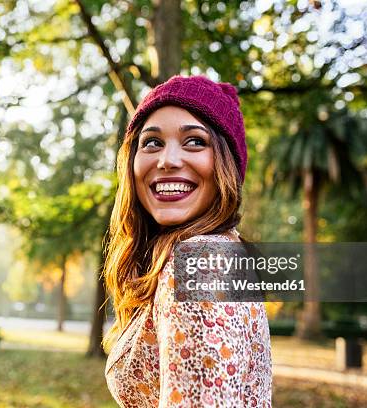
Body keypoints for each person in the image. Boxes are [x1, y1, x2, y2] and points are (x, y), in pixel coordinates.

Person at [103, 75, 272, 407]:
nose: (167, 160)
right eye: (151, 142)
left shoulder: (201, 264)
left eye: (195, 141)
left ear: (227, 165)